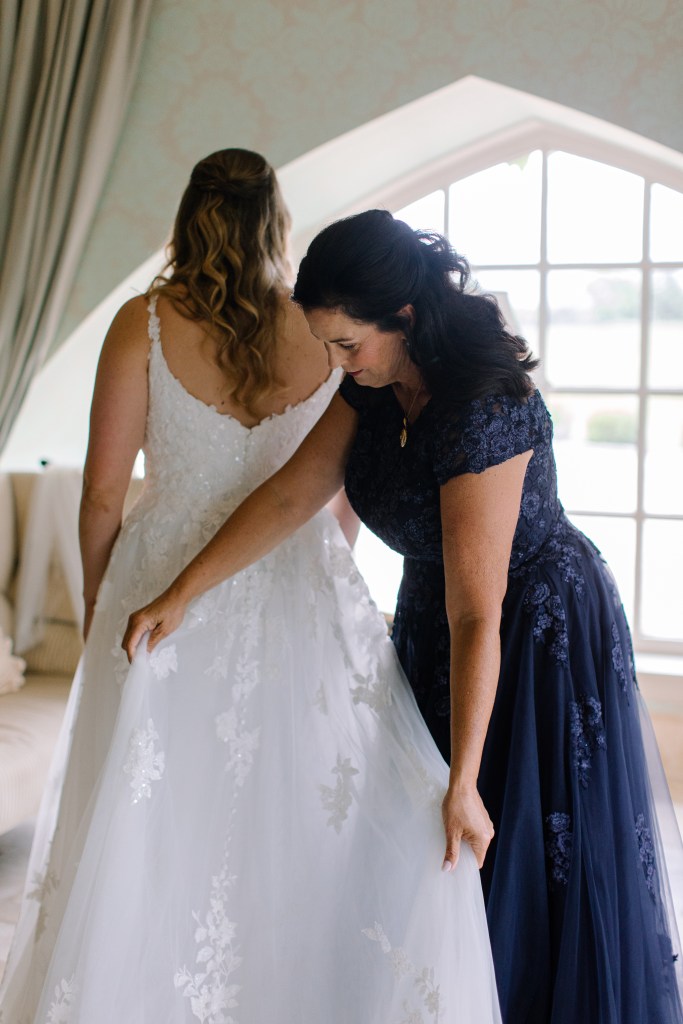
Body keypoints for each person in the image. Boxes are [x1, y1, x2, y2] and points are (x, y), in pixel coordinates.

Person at [122, 208, 683, 1024]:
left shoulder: (480, 407)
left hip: (528, 630)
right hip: (436, 616)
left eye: (347, 343)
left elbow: (477, 613)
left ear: (406, 317)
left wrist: (464, 780)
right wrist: (182, 591)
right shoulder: (376, 384)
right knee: (413, 851)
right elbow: (288, 496)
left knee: (497, 841)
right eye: (327, 344)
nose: (336, 362)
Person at [0, 160, 501, 1023]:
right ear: (277, 222)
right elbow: (333, 493)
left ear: (188, 217)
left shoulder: (142, 323)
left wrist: (98, 608)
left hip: (163, 585)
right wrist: (327, 574)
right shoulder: (322, 327)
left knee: (155, 814)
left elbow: (102, 496)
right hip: (298, 579)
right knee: (294, 811)